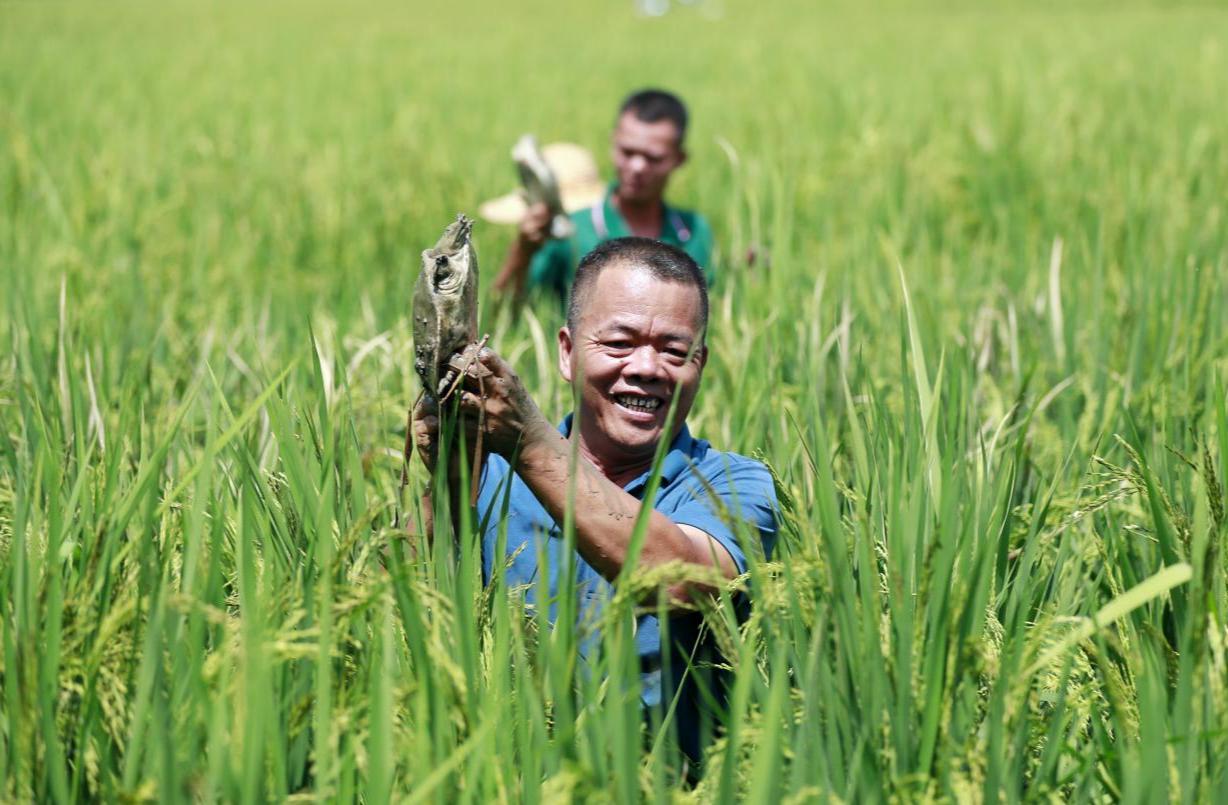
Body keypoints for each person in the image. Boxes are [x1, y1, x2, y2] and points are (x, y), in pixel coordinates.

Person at [414, 237, 776, 765]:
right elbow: (405, 598)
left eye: (675, 352)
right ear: (567, 352)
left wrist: (532, 445)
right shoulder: (489, 475)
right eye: (619, 344)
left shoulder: (735, 485)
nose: (648, 368)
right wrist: (446, 475)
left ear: (700, 363)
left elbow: (679, 581)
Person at [487, 89, 715, 304]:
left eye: (653, 158)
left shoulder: (692, 231)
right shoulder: (571, 227)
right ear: (613, 142)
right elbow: (505, 310)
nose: (637, 166)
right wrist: (522, 250)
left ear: (680, 159)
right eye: (627, 152)